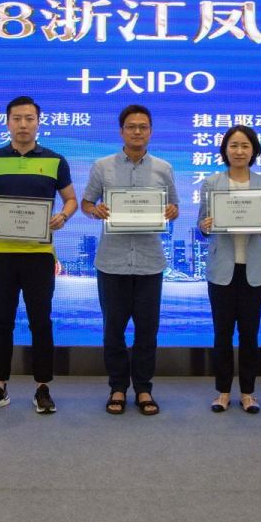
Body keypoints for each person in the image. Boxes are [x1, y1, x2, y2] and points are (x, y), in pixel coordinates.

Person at [0, 96, 77, 414]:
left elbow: (71, 199)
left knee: (40, 322)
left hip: (40, 255)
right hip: (1, 253)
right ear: (7, 122)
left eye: (29, 118)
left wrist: (63, 216)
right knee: (1, 322)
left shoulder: (55, 161)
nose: (23, 124)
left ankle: (43, 387)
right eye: (17, 118)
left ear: (38, 123)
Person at [81, 105, 179, 416]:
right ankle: (118, 388)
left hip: (150, 262)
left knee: (147, 330)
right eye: (131, 126)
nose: (137, 131)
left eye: (143, 127)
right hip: (112, 261)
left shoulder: (164, 168)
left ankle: (144, 388)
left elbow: (174, 207)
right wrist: (95, 210)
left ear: (150, 131)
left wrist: (171, 211)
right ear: (121, 131)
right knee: (113, 330)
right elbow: (86, 203)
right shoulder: (102, 166)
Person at [197, 125, 261, 414]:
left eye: (245, 146)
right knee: (222, 334)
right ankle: (222, 392)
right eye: (233, 145)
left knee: (250, 335)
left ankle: (248, 393)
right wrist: (205, 226)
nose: (239, 151)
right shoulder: (211, 183)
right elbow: (202, 225)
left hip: (253, 270)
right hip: (222, 270)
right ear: (225, 150)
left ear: (254, 150)